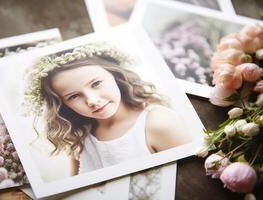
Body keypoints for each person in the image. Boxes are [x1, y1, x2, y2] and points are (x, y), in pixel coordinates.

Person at [22, 43, 191, 175]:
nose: (92, 101)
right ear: (62, 104)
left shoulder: (158, 124)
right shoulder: (79, 137)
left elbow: (191, 180)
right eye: (73, 96)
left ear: (115, 75)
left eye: (96, 84)